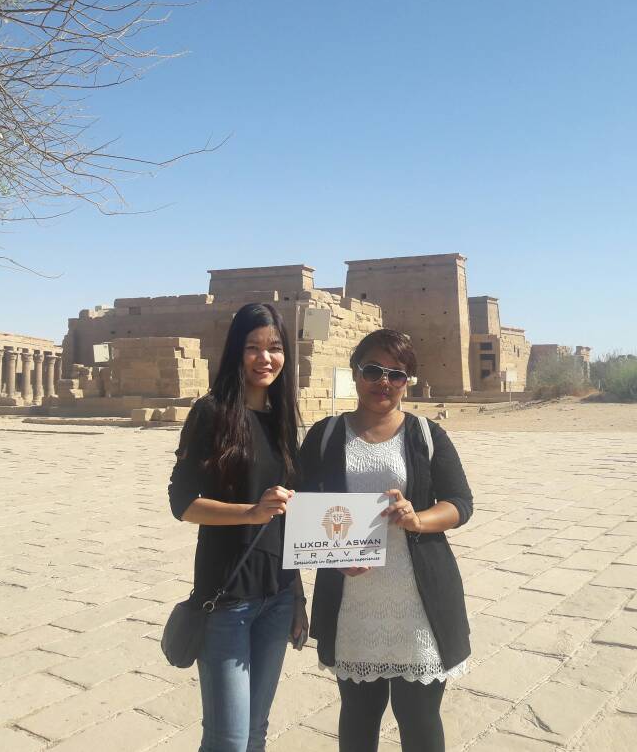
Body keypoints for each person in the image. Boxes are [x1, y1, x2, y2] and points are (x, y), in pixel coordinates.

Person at [300, 329, 474, 752]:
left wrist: (419, 518)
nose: (384, 382)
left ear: (407, 381)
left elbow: (460, 503)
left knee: (420, 721)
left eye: (396, 374)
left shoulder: (426, 434)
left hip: (418, 604)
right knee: (358, 721)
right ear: (355, 374)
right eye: (373, 370)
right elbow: (302, 505)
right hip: (353, 603)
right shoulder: (325, 435)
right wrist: (332, 556)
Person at [168, 303, 308, 752]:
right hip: (228, 596)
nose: (265, 358)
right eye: (253, 347)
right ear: (236, 352)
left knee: (255, 733)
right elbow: (183, 503)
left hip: (278, 596)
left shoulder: (283, 418)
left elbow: (291, 520)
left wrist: (299, 597)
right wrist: (249, 512)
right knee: (227, 738)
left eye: (274, 348)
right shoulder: (211, 413)